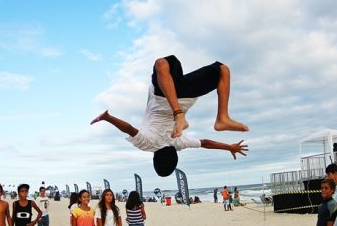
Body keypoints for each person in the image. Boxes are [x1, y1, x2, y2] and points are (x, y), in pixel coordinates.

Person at [91, 55, 248, 177]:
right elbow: (129, 129)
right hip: (163, 95)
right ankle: (184, 115)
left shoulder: (178, 144)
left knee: (222, 69)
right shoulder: (147, 144)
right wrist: (108, 118)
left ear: (175, 157)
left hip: (187, 97)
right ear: (154, 159)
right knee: (161, 63)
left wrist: (229, 147)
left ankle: (222, 118)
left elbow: (206, 143)